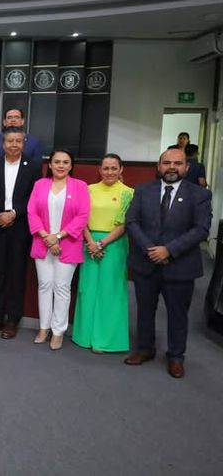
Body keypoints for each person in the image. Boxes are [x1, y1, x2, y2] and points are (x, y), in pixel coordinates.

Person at [124, 148, 212, 378]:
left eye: (177, 163)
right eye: (166, 163)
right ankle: (145, 349)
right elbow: (131, 222)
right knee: (144, 310)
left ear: (186, 167)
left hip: (180, 265)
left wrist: (169, 250)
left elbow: (201, 229)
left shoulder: (199, 194)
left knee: (177, 314)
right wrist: (150, 249)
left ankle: (175, 356)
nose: (172, 167)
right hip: (146, 262)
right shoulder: (143, 190)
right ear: (158, 166)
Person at [27, 149, 90, 350]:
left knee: (62, 288)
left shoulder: (80, 186)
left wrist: (59, 236)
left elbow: (83, 216)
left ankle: (58, 331)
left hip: (68, 244)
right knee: (44, 285)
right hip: (43, 241)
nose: (61, 165)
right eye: (57, 162)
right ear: (50, 165)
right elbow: (32, 212)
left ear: (71, 166)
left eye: (65, 162)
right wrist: (47, 237)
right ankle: (43, 328)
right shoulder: (40, 184)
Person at [0, 127, 40, 339]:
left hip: (20, 226)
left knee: (16, 274)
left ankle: (12, 320)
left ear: (23, 143)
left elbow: (34, 197)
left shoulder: (33, 166)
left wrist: (14, 213)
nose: (14, 145)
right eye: (10, 141)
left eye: (18, 141)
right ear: (2, 144)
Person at [72, 154, 134, 354]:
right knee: (88, 289)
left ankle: (105, 339)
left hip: (114, 245)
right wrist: (91, 242)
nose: (109, 172)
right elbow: (81, 219)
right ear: (99, 170)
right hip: (88, 243)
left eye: (114, 168)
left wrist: (102, 243)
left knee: (110, 291)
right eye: (106, 168)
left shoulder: (128, 193)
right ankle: (84, 336)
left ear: (121, 169)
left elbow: (124, 224)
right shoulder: (88, 189)